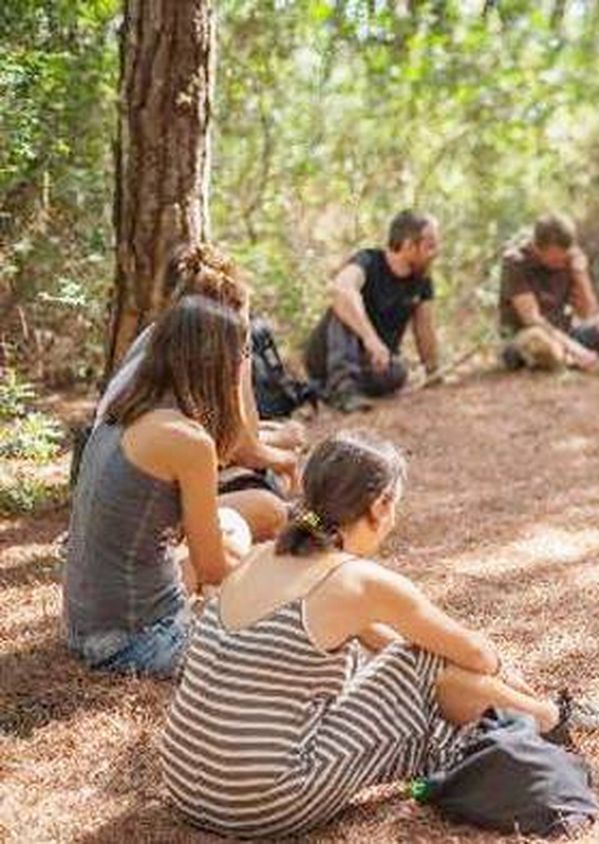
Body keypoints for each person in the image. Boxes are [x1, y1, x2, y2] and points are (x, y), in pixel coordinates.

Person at [160, 431, 599, 837]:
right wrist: (473, 672)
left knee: (415, 657)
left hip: (183, 782)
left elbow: (377, 639)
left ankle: (539, 716)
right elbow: (475, 654)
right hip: (259, 802)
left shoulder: (261, 556)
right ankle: (549, 718)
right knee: (427, 660)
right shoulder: (357, 581)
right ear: (379, 505)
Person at [64, 296, 255, 678]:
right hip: (139, 641)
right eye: (243, 352)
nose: (243, 363)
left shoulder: (122, 408)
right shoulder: (187, 440)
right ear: (216, 361)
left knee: (233, 524)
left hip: (81, 625)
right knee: (288, 635)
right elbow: (213, 569)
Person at [95, 243, 298, 539]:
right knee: (270, 505)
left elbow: (233, 439)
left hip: (119, 492)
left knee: (273, 468)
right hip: (143, 524)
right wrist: (286, 460)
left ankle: (301, 517)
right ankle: (303, 520)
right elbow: (241, 447)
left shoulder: (156, 337)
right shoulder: (208, 352)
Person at [305, 210, 443, 411]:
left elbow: (424, 329)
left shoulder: (421, 280)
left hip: (371, 362)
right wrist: (371, 339)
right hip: (330, 356)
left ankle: (330, 391)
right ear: (408, 246)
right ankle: (342, 389)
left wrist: (433, 371)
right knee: (345, 304)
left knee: (399, 372)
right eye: (430, 246)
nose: (436, 252)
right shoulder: (368, 261)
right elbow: (341, 289)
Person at [499, 212, 599, 379]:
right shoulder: (516, 262)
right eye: (555, 260)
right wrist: (575, 348)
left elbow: (587, 313)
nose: (560, 264)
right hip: (530, 338)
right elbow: (532, 318)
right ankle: (575, 362)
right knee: (538, 339)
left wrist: (580, 275)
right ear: (537, 248)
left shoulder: (570, 257)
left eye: (564, 258)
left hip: (567, 334)